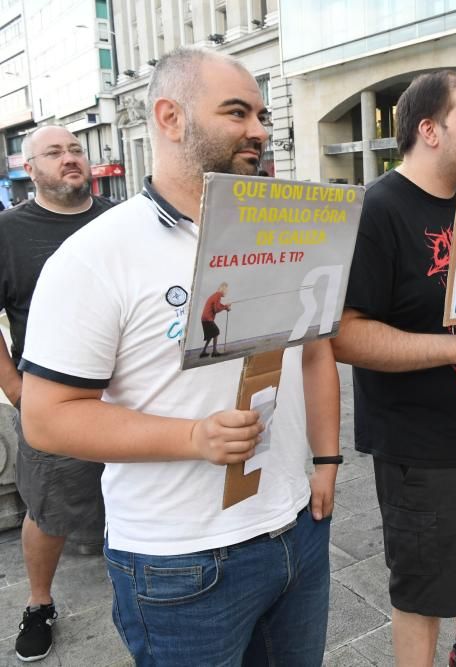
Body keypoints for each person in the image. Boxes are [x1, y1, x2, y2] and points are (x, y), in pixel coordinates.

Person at [18, 47, 341, 665]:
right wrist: (193, 436)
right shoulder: (96, 255)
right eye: (237, 112)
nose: (259, 130)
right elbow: (48, 416)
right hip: (181, 562)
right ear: (170, 117)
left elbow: (315, 351)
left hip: (296, 528)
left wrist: (325, 460)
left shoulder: (285, 225)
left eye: (262, 114)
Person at [332, 71, 456, 667]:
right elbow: (344, 335)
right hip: (420, 441)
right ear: (429, 129)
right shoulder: (378, 210)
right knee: (422, 587)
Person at [0, 125, 115, 663]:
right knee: (48, 509)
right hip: (56, 399)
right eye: (54, 152)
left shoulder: (122, 218)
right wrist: (16, 388)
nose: (70, 158)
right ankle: (39, 602)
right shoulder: (9, 232)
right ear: (29, 167)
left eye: (75, 149)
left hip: (131, 396)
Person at [200, 282, 231, 357]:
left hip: (205, 318)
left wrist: (225, 306)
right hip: (207, 318)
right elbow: (216, 309)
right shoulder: (218, 296)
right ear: (224, 289)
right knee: (216, 332)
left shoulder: (216, 295)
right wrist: (225, 307)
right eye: (226, 290)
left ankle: (203, 352)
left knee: (211, 335)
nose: (227, 292)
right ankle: (214, 352)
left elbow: (218, 305)